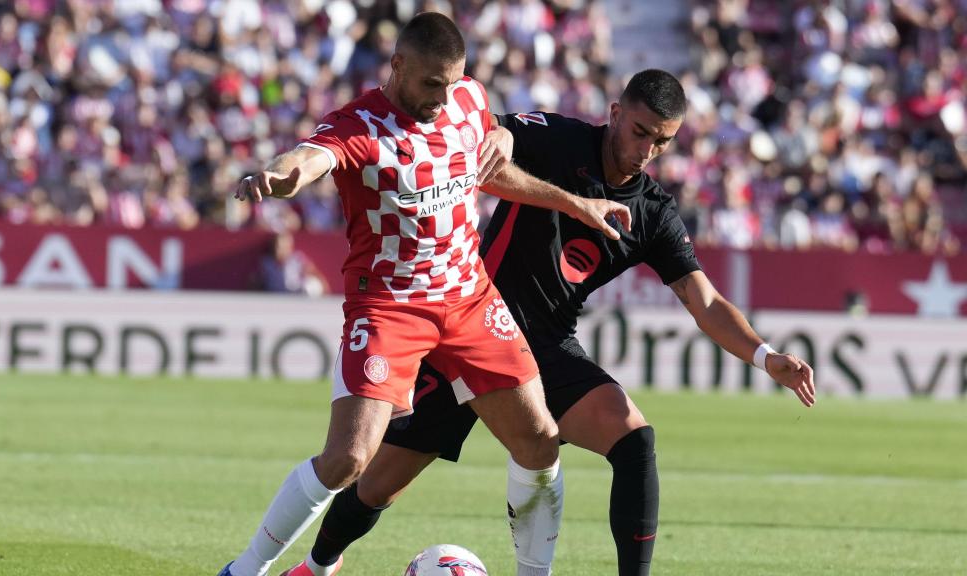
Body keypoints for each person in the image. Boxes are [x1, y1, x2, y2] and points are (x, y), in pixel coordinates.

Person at [289, 69, 817, 576]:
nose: (647, 150)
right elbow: (492, 131)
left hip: (547, 346)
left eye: (662, 141)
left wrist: (765, 355)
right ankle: (316, 567)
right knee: (376, 485)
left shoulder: (653, 213)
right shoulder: (560, 139)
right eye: (640, 132)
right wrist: (500, 135)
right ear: (615, 114)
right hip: (468, 330)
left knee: (636, 441)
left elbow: (704, 301)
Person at [218, 13, 633, 576]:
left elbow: (485, 173)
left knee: (539, 439)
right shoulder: (359, 125)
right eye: (431, 83)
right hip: (390, 306)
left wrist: (573, 203)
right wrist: (281, 172)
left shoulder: (467, 100)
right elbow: (312, 157)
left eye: (452, 82)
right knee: (348, 459)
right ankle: (245, 570)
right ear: (397, 65)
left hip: (468, 297)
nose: (442, 97)